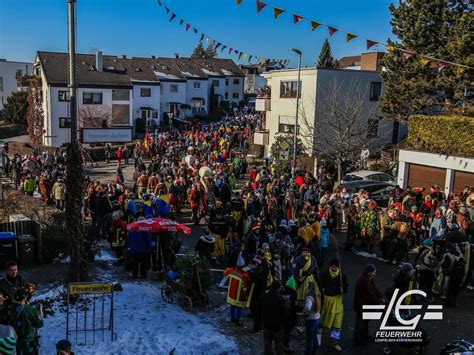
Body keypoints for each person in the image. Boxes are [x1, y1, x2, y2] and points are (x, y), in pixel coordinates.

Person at [319, 259, 348, 352]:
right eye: (333, 266)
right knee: (323, 321)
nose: (334, 268)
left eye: (336, 266)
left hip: (338, 301)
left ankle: (334, 342)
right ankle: (318, 338)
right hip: (327, 301)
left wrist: (344, 289)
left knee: (337, 323)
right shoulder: (325, 274)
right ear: (330, 266)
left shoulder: (342, 276)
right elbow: (319, 286)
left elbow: (346, 286)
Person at [353, 264, 384, 346]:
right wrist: (378, 301)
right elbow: (369, 294)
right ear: (368, 272)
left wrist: (380, 296)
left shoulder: (368, 278)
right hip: (361, 305)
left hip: (365, 305)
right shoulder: (363, 281)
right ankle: (358, 338)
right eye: (373, 272)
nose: (375, 274)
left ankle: (364, 336)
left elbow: (374, 288)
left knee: (365, 322)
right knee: (361, 323)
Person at [11, 288, 43, 355]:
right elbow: (39, 324)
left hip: (13, 343)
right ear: (25, 297)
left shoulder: (9, 308)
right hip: (28, 342)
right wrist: (40, 314)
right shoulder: (30, 309)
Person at [223, 254, 249, 326]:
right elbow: (245, 288)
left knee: (232, 306)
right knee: (239, 308)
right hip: (239, 295)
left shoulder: (231, 271)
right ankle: (237, 321)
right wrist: (246, 296)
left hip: (231, 294)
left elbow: (225, 273)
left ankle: (232, 319)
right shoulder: (245, 275)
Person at [261, 281, 286, 355]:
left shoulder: (265, 296)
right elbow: (284, 312)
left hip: (267, 324)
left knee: (267, 343)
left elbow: (260, 297)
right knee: (278, 344)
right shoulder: (280, 298)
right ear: (279, 288)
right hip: (277, 326)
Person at [303, 282, 321, 355]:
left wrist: (304, 313)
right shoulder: (318, 295)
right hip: (317, 318)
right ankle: (314, 351)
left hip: (310, 320)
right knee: (314, 336)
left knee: (309, 339)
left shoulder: (309, 297)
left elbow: (307, 308)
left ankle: (308, 353)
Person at [280, 278, 297, 354]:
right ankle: (286, 346)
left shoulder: (280, 292)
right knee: (287, 332)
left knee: (281, 331)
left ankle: (280, 344)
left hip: (281, 315)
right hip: (290, 317)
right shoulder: (293, 294)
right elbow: (294, 306)